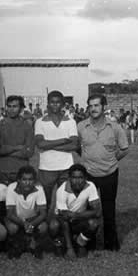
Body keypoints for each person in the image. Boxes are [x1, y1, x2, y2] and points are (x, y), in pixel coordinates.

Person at [77, 94, 128, 251]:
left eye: (97, 105)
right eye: (91, 106)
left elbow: (124, 148)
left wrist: (111, 160)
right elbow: (76, 146)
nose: (93, 109)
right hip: (89, 174)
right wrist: (87, 158)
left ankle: (111, 244)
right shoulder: (81, 126)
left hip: (109, 173)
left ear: (104, 107)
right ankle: (89, 243)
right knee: (88, 210)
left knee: (108, 209)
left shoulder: (115, 127)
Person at [34, 90, 78, 221]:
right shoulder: (40, 122)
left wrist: (49, 145)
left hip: (66, 167)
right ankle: (43, 226)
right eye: (52, 102)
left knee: (64, 201)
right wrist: (63, 140)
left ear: (63, 104)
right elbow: (40, 144)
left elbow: (74, 145)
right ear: (48, 104)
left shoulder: (70, 121)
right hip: (46, 168)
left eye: (58, 102)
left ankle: (61, 228)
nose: (55, 105)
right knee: (44, 201)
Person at [51, 164, 101, 259]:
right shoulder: (62, 190)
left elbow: (97, 212)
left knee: (93, 223)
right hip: (63, 221)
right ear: (69, 178)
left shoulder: (90, 186)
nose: (77, 181)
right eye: (74, 178)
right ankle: (60, 245)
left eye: (80, 178)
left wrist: (76, 215)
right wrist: (70, 248)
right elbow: (64, 217)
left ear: (85, 178)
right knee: (53, 226)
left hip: (78, 218)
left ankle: (80, 243)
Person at [4, 165, 48, 259]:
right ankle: (15, 245)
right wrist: (24, 224)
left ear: (34, 180)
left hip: (32, 219)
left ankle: (36, 245)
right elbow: (10, 214)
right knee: (12, 228)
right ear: (18, 180)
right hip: (16, 218)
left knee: (43, 227)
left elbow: (43, 214)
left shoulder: (39, 188)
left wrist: (31, 224)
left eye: (30, 179)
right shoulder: (11, 188)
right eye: (24, 179)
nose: (27, 183)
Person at [0, 95, 34, 186]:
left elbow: (29, 152)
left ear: (21, 108)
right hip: (3, 171)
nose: (11, 109)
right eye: (9, 106)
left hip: (21, 172)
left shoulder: (27, 126)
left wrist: (6, 151)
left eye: (15, 106)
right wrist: (17, 148)